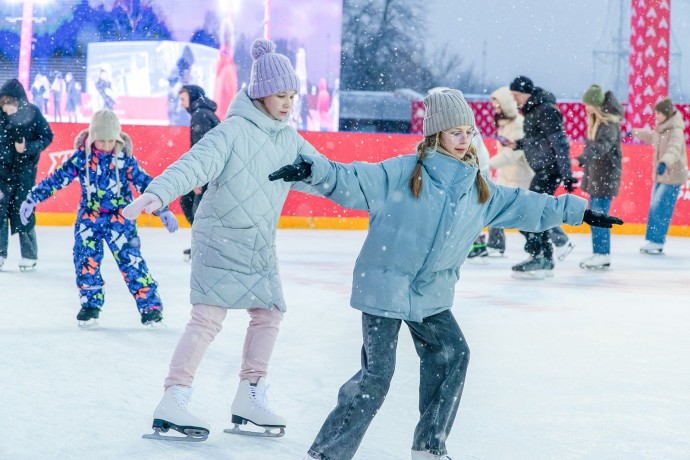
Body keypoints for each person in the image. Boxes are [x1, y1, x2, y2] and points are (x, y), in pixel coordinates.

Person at [269, 89, 623, 460]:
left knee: (454, 354)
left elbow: (525, 205)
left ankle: (428, 447)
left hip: (430, 294)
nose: (464, 140)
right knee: (377, 375)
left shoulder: (477, 187)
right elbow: (352, 179)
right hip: (385, 287)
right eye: (455, 133)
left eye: (468, 132)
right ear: (436, 134)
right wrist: (313, 170)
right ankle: (328, 452)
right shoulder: (403, 172)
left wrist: (577, 212)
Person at [123, 38, 318, 441]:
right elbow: (194, 164)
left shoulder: (290, 138)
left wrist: (378, 191)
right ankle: (174, 398)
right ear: (262, 92)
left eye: (293, 96)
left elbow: (330, 173)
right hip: (220, 236)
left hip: (259, 241)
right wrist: (158, 193)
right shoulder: (231, 131)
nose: (288, 103)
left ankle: (251, 393)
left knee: (269, 313)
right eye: (281, 94)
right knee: (208, 318)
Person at [18, 109, 178, 326]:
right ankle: (90, 305)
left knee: (132, 262)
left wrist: (163, 208)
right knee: (85, 260)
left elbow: (145, 184)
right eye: (101, 140)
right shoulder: (80, 159)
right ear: (93, 138)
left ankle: (150, 308)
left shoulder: (125, 160)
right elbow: (56, 179)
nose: (106, 145)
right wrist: (32, 199)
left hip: (120, 219)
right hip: (89, 219)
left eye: (110, 140)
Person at [507, 75, 577, 279]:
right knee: (536, 211)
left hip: (550, 169)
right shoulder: (534, 109)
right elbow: (536, 139)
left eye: (516, 95)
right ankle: (543, 255)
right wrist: (518, 144)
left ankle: (541, 256)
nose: (515, 100)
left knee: (531, 210)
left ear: (526, 92)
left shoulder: (545, 110)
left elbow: (560, 143)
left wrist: (567, 175)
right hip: (544, 169)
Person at [0, 79, 53, 271]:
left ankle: (29, 255)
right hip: (2, 173)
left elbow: (47, 136)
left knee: (24, 211)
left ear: (18, 101)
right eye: (2, 104)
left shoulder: (32, 114)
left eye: (8, 104)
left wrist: (28, 148)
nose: (5, 109)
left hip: (24, 173)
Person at [571, 85, 624, 269]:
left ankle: (602, 254)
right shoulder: (598, 123)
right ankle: (599, 253)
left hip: (605, 178)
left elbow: (600, 147)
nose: (587, 108)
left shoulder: (609, 125)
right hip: (598, 177)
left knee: (599, 217)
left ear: (597, 105)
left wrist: (581, 159)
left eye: (589, 104)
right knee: (596, 217)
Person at [632, 97, 688, 254]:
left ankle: (657, 240)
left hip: (673, 175)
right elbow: (652, 136)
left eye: (658, 113)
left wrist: (664, 163)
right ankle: (653, 240)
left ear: (666, 113)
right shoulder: (662, 128)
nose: (655, 116)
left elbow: (674, 150)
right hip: (662, 175)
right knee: (655, 206)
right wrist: (635, 132)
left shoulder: (676, 130)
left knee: (661, 207)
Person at [486, 85, 534, 256]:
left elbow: (513, 153)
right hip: (507, 175)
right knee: (495, 207)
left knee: (529, 214)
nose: (496, 108)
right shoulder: (504, 123)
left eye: (498, 105)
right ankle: (495, 245)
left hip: (520, 177)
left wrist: (488, 164)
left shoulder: (518, 124)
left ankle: (559, 240)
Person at [177, 84, 220, 262]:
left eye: (183, 99)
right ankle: (205, 245)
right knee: (190, 203)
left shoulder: (200, 115)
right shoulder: (203, 113)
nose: (181, 104)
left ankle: (207, 247)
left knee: (197, 209)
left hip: (209, 172)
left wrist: (199, 179)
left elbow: (202, 150)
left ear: (192, 96)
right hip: (212, 170)